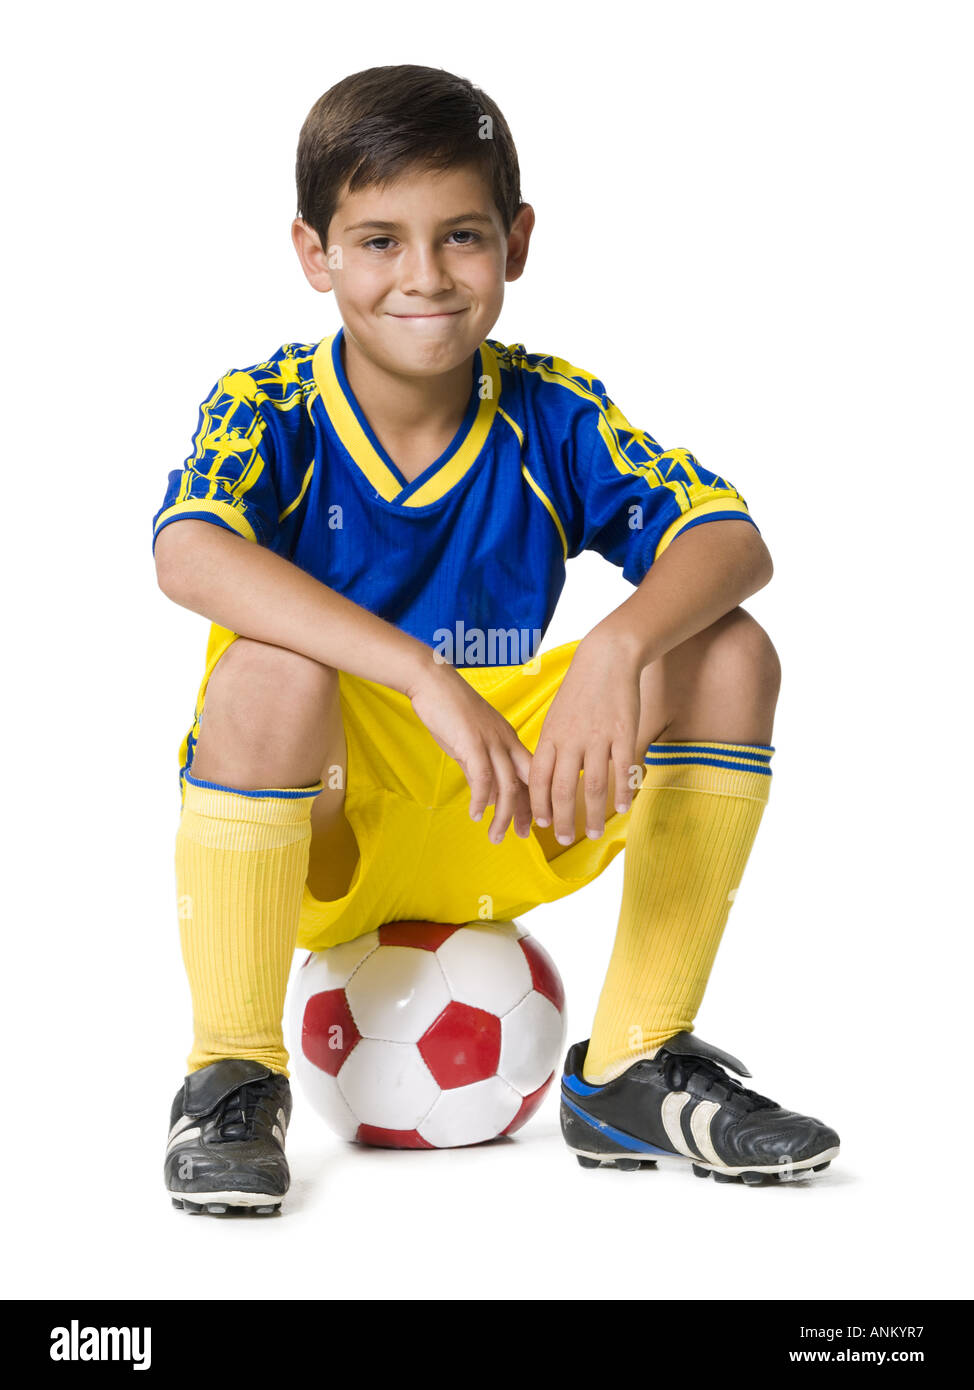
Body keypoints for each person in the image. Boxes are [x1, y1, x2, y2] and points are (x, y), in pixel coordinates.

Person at [154, 64, 839, 1214]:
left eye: (459, 235)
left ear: (515, 242)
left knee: (727, 647)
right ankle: (230, 1067)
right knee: (268, 666)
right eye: (377, 240)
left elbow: (729, 536)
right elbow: (188, 553)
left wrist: (617, 647)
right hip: (329, 818)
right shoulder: (268, 404)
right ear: (312, 254)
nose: (422, 276)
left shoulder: (546, 411)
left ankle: (632, 1060)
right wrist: (421, 672)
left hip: (507, 796)